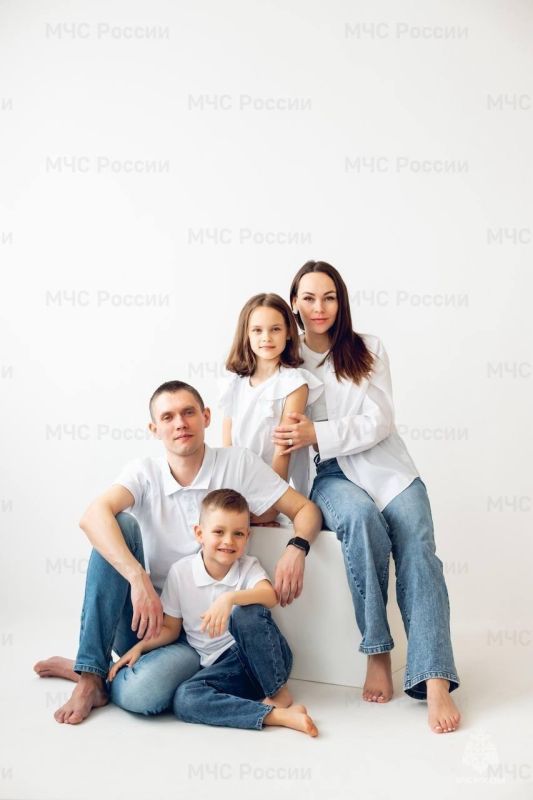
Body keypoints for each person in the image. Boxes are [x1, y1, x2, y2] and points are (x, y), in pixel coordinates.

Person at [34, 380, 321, 725]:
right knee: (117, 524)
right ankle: (91, 676)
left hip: (199, 637)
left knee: (141, 696)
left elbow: (305, 510)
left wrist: (297, 547)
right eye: (168, 417)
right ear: (154, 429)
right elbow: (91, 517)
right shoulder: (144, 472)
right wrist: (138, 579)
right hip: (150, 618)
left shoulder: (237, 464)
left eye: (188, 413)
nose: (180, 424)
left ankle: (98, 672)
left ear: (206, 417)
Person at [272, 260, 461, 734]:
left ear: (342, 301)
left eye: (329, 297)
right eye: (309, 298)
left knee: (419, 547)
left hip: (387, 467)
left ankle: (434, 677)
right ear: (294, 302)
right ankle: (377, 650)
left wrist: (318, 431)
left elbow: (380, 420)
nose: (319, 308)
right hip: (329, 474)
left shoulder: (368, 348)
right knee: (360, 521)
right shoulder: (287, 361)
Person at [109, 489, 318, 736]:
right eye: (219, 532)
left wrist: (229, 598)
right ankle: (274, 715)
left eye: (238, 534)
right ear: (200, 534)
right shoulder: (181, 573)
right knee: (185, 698)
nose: (228, 541)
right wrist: (140, 647)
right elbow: (171, 629)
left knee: (245, 614)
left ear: (247, 536)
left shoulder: (247, 567)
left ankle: (278, 693)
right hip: (223, 670)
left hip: (265, 660)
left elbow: (270, 596)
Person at [220, 292, 322, 523]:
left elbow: (283, 449)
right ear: (246, 334)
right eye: (257, 330)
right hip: (234, 485)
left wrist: (272, 506)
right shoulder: (233, 383)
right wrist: (228, 498)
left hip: (271, 487)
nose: (266, 337)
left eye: (275, 329)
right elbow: (227, 448)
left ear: (288, 333)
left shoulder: (294, 384)